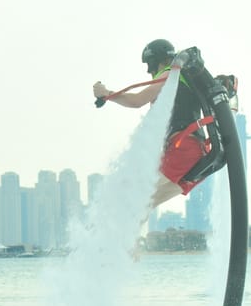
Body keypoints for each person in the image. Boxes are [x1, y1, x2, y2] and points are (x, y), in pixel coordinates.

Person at [93, 38, 216, 207]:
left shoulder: (170, 73)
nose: (148, 73)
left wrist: (106, 93)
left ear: (155, 62)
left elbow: (137, 100)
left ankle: (101, 230)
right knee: (141, 206)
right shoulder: (185, 79)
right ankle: (120, 233)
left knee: (130, 196)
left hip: (183, 149)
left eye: (149, 66)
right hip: (196, 154)